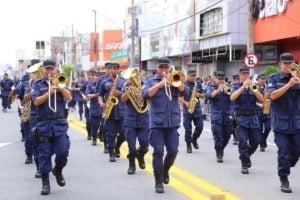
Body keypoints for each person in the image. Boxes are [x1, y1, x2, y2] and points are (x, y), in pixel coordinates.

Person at [142, 57, 185, 193]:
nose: (164, 70)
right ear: (157, 68)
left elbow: (185, 93)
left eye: (166, 68)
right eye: (161, 68)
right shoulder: (150, 81)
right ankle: (158, 181)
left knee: (173, 150)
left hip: (172, 122)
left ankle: (165, 169)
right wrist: (160, 85)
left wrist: (177, 82)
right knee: (158, 151)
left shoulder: (174, 79)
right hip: (156, 123)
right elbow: (145, 95)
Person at [31, 59, 72, 195]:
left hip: (59, 124)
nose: (49, 71)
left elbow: (70, 98)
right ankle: (45, 183)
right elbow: (36, 101)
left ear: (56, 70)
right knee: (44, 155)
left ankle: (58, 170)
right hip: (43, 125)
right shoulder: (37, 84)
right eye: (46, 69)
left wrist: (61, 88)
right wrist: (50, 92)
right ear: (43, 70)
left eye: (51, 69)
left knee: (63, 152)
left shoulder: (61, 81)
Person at [268, 53, 300, 193]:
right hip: (281, 123)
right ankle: (284, 179)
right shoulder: (273, 78)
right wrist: (289, 84)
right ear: (280, 64)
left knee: (297, 152)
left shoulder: (298, 77)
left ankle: (287, 165)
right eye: (285, 64)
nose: (288, 66)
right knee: (283, 152)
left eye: (290, 63)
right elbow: (273, 95)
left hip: (297, 123)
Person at [230, 67, 263, 174]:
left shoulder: (254, 86)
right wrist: (243, 87)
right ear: (240, 76)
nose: (246, 76)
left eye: (247, 74)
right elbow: (232, 97)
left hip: (253, 118)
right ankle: (244, 163)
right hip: (241, 118)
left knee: (256, 141)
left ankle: (246, 155)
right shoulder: (235, 86)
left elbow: (262, 99)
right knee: (243, 141)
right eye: (244, 74)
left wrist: (254, 89)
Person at [121, 67, 149, 174]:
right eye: (134, 74)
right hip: (130, 118)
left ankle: (140, 156)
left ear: (140, 74)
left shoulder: (146, 85)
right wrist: (129, 92)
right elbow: (123, 100)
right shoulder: (127, 85)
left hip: (143, 118)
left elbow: (150, 98)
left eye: (138, 73)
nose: (136, 75)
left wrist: (141, 96)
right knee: (131, 145)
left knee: (145, 143)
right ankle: (131, 165)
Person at [99, 62, 126, 162]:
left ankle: (117, 146)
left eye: (116, 68)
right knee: (111, 134)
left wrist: (119, 93)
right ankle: (111, 153)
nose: (114, 70)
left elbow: (128, 94)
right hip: (109, 111)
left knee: (124, 134)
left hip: (122, 111)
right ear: (109, 69)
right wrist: (101, 103)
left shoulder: (123, 81)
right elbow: (100, 95)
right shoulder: (104, 82)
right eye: (112, 68)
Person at [206, 71, 233, 163]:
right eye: (219, 79)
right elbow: (209, 96)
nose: (221, 81)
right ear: (215, 78)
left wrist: (226, 89)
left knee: (228, 135)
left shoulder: (227, 87)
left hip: (226, 115)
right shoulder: (211, 87)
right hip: (216, 116)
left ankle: (220, 148)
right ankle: (219, 152)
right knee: (218, 135)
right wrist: (218, 90)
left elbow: (232, 95)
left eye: (222, 79)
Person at [178, 70, 204, 153]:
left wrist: (199, 95)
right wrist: (186, 103)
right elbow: (178, 97)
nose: (193, 77)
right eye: (192, 75)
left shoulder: (198, 84)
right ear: (188, 75)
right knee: (188, 129)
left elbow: (204, 95)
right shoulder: (183, 84)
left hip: (197, 108)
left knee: (200, 126)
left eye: (194, 75)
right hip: (187, 109)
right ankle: (188, 144)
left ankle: (194, 139)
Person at [256, 73, 271, 152]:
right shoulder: (255, 87)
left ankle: (263, 140)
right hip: (258, 111)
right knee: (259, 129)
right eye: (262, 79)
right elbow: (251, 100)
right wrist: (259, 104)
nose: (263, 80)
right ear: (257, 79)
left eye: (264, 79)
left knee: (268, 128)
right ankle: (262, 144)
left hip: (268, 111)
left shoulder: (269, 87)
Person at [86, 70, 101, 145]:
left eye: (96, 75)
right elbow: (88, 96)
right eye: (92, 75)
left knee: (104, 126)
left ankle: (101, 136)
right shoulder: (90, 85)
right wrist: (96, 95)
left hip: (102, 108)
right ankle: (94, 138)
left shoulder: (103, 84)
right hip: (94, 108)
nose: (94, 77)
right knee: (94, 125)